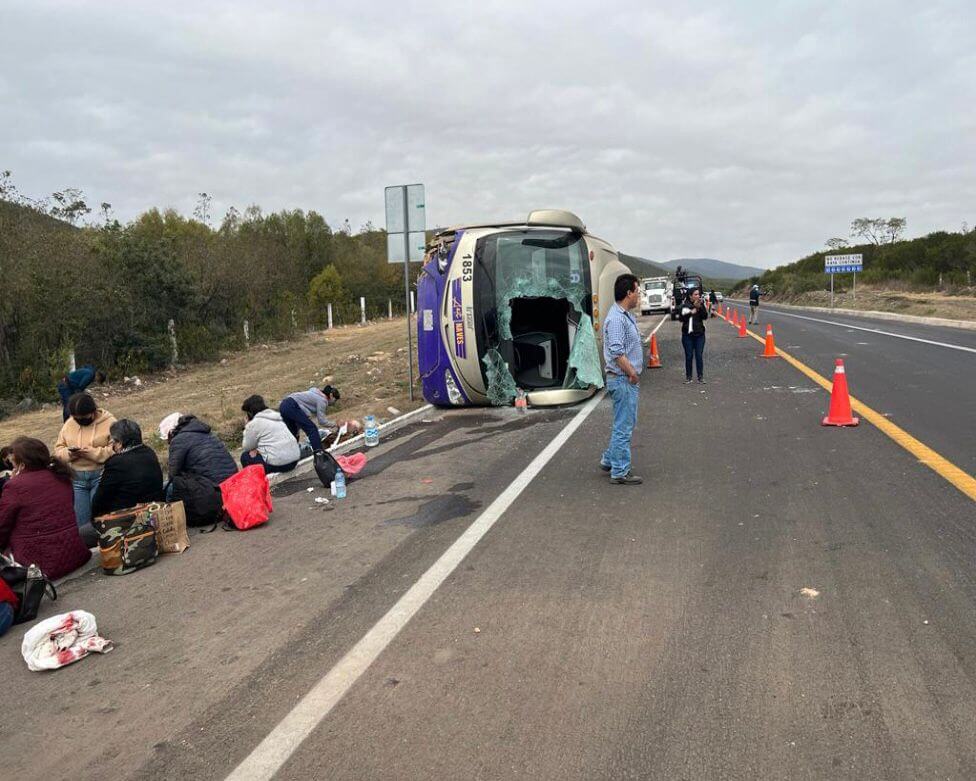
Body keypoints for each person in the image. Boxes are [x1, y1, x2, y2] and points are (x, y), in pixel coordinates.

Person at [0, 437, 92, 581]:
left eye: (13, 463)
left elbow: (2, 525)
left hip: (38, 563)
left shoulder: (15, 486)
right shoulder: (61, 475)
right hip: (73, 553)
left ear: (22, 465)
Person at [599, 274, 644, 486]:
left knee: (623, 422)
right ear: (629, 293)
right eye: (637, 291)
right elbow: (617, 352)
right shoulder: (617, 319)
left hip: (624, 379)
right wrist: (632, 374)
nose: (639, 295)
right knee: (624, 426)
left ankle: (609, 459)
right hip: (623, 379)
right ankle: (620, 470)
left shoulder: (624, 315)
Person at [53, 393, 117, 530]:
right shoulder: (69, 424)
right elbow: (58, 452)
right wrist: (70, 454)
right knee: (82, 524)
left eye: (84, 418)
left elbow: (116, 449)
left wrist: (92, 453)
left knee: (101, 519)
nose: (80, 421)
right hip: (77, 478)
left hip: (100, 475)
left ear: (93, 412)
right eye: (77, 419)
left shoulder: (110, 422)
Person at [90, 420, 164, 517]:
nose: (112, 446)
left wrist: (95, 517)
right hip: (153, 513)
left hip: (127, 519)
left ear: (119, 443)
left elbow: (101, 499)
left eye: (113, 442)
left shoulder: (116, 463)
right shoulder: (149, 452)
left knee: (83, 531)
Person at [161, 412, 238, 487]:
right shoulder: (207, 433)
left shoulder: (178, 440)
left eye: (168, 438)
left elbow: (173, 475)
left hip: (213, 487)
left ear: (171, 432)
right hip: (233, 480)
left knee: (167, 489)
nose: (168, 442)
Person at [240, 395, 302, 474]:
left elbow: (248, 448)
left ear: (250, 413)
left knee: (245, 457)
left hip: (283, 465)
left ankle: (258, 483)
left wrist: (247, 426)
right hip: (293, 461)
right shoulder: (275, 415)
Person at [278, 385, 342, 453]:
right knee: (312, 430)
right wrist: (336, 424)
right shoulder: (322, 400)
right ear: (331, 396)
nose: (334, 403)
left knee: (293, 434)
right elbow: (322, 421)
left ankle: (287, 456)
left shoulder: (315, 393)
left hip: (284, 405)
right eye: (335, 400)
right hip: (292, 405)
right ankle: (320, 454)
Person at [680, 287, 709, 384]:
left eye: (698, 294)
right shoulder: (685, 305)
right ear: (690, 296)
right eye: (695, 294)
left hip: (699, 334)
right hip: (687, 335)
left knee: (699, 355)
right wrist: (694, 308)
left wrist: (700, 308)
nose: (698, 296)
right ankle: (689, 377)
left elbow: (705, 317)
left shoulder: (700, 304)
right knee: (689, 356)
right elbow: (683, 318)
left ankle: (700, 377)